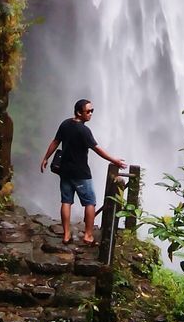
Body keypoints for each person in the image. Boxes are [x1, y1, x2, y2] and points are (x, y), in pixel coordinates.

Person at [40, 99, 127, 245]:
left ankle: (66, 235)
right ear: (79, 112)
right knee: (90, 203)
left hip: (64, 171)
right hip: (81, 173)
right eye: (88, 111)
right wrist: (115, 160)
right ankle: (88, 236)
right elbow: (96, 148)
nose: (91, 114)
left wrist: (45, 158)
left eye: (92, 110)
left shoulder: (65, 124)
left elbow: (55, 141)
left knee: (66, 201)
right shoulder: (84, 130)